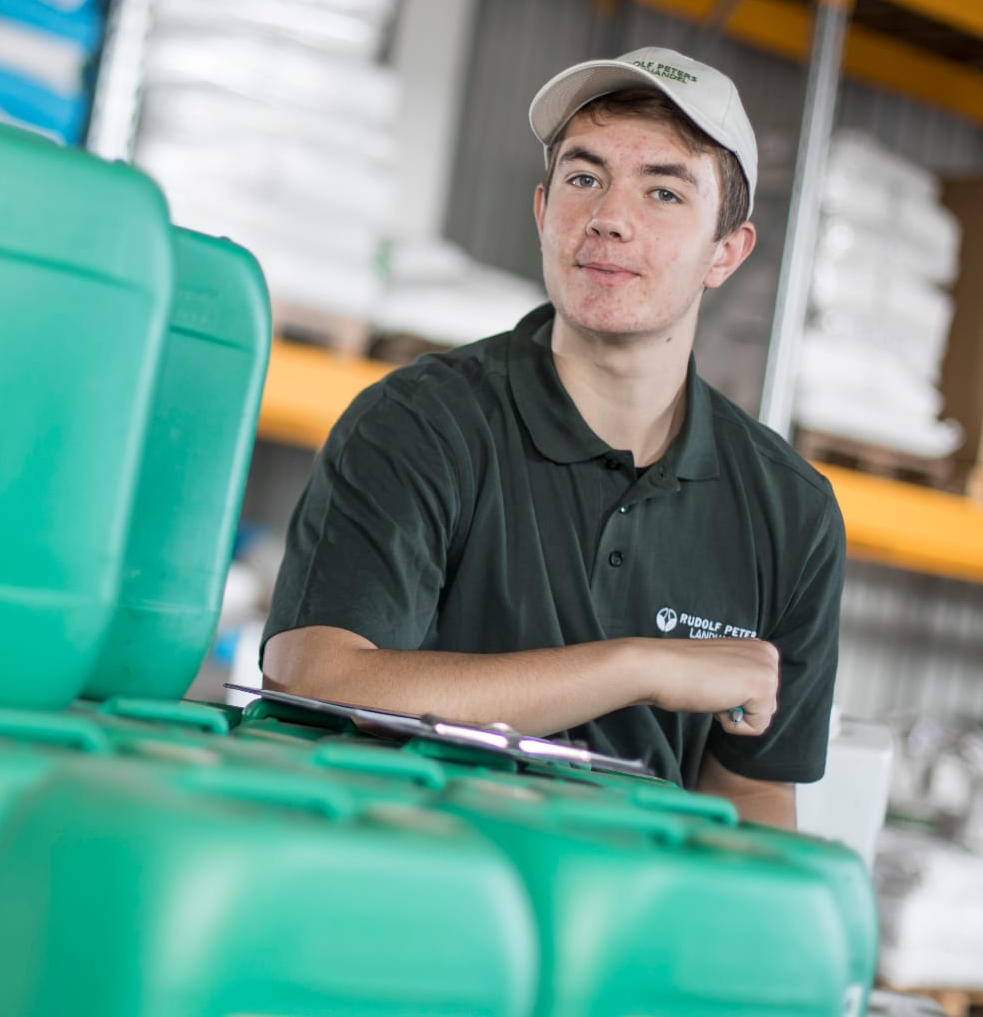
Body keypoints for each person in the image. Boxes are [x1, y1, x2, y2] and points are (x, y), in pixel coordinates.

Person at [260, 47, 845, 828]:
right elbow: (315, 676)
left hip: (630, 926)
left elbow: (750, 791)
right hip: (410, 892)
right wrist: (637, 665)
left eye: (664, 191)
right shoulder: (420, 424)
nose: (608, 215)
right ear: (543, 211)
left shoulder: (790, 513)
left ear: (726, 252)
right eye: (583, 177)